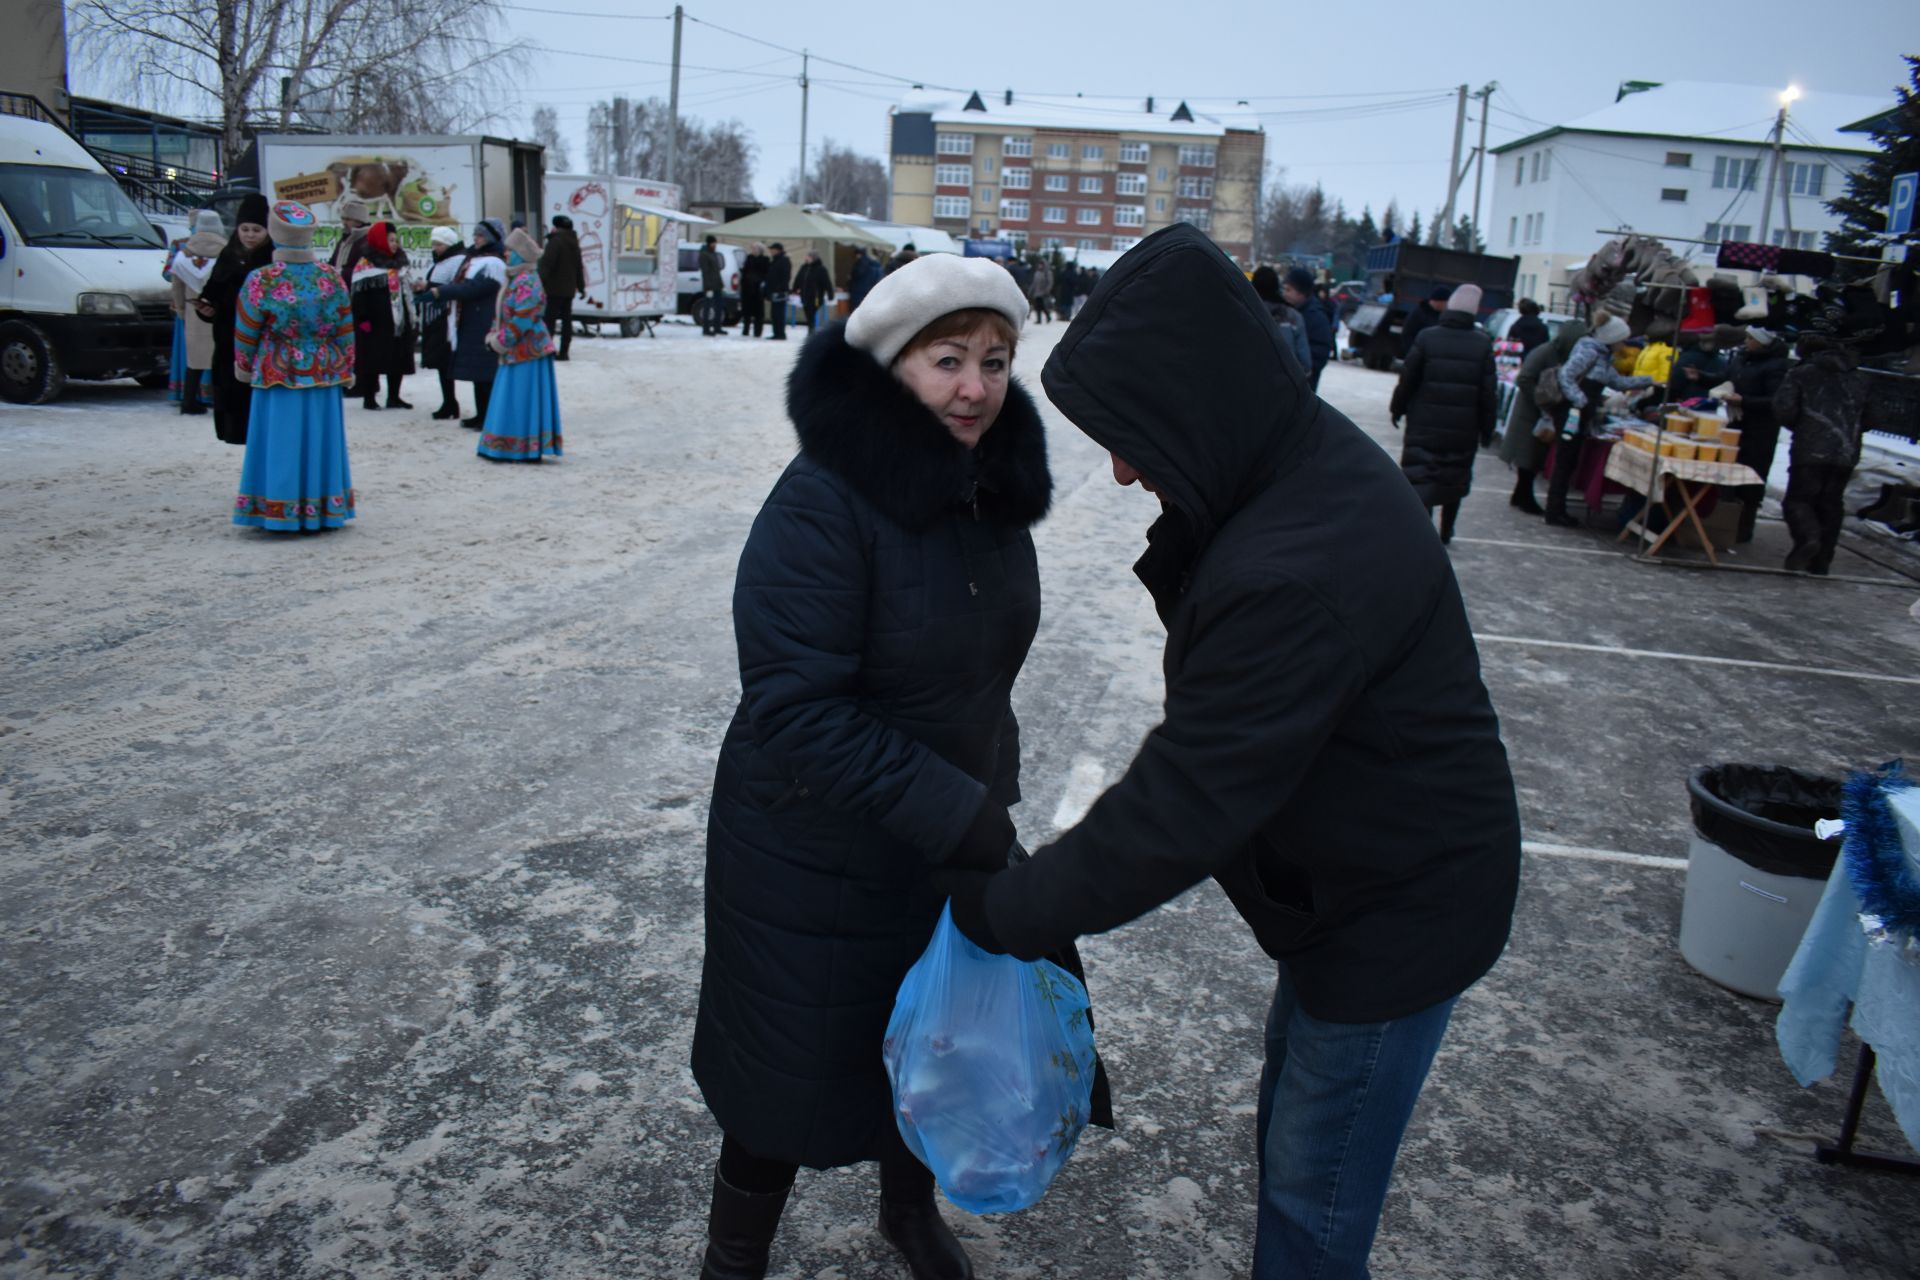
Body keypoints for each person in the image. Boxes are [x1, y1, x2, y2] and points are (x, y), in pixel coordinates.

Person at [935, 223, 1520, 1280]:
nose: (1119, 472)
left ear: (1192, 399)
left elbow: (1187, 799)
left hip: (1398, 911)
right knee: (1300, 1108)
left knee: (1314, 1194)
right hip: (1356, 884)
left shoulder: (1296, 564)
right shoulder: (1289, 469)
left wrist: (1007, 912)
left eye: (1130, 434)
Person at [692, 253, 1056, 1280]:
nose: (976, 386)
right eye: (948, 360)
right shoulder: (822, 502)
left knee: (926, 1034)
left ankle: (908, 1209)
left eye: (994, 359)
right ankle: (732, 1257)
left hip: (937, 833)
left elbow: (982, 669)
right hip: (811, 839)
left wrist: (989, 795)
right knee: (789, 1066)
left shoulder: (983, 491)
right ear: (893, 364)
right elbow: (796, 707)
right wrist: (960, 811)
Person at [231, 200, 357, 533]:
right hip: (324, 370)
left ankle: (279, 506)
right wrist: (347, 364)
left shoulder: (262, 279)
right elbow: (345, 327)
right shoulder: (330, 277)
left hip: (277, 370)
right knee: (321, 438)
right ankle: (323, 506)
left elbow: (246, 329)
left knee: (281, 439)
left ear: (274, 233)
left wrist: (243, 365)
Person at [1390, 283, 1497, 543]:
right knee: (1453, 479)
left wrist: (1398, 407)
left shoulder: (1427, 336)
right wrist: (1487, 427)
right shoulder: (1483, 344)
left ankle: (1421, 532)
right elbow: (1488, 393)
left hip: (1424, 424)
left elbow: (1408, 379)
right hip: (1463, 428)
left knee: (1421, 476)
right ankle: (1446, 530)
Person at [1543, 315, 1653, 528]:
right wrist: (1580, 399)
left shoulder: (1602, 356)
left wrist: (1649, 380)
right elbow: (1566, 375)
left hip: (1580, 412)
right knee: (1565, 461)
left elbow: (1616, 381)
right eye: (1622, 339)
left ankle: (1557, 509)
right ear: (1612, 338)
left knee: (1569, 461)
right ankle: (1554, 511)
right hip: (1571, 413)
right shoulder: (1590, 351)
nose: (1624, 344)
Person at [1775, 332, 1867, 574]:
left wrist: (1807, 427)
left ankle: (1808, 539)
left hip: (1810, 448)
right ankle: (1822, 560)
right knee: (1831, 503)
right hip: (1846, 450)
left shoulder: (1801, 374)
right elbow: (1874, 416)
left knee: (1799, 499)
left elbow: (1784, 410)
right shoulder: (1860, 378)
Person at [477, 227, 563, 463]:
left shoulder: (527, 281)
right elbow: (504, 314)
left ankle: (518, 447)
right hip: (517, 350)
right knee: (512, 399)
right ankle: (507, 445)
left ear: (520, 254)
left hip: (527, 353)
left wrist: (500, 341)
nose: (505, 254)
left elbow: (523, 318)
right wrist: (495, 336)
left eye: (509, 250)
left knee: (519, 400)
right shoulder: (516, 277)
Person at [196, 192, 275, 447]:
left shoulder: (272, 260)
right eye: (245, 229)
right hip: (228, 338)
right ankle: (236, 433)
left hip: (260, 342)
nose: (250, 235)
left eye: (257, 230)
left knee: (257, 399)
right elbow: (211, 293)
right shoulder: (228, 255)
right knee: (232, 393)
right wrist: (206, 309)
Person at [420, 218, 509, 430]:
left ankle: (487, 416)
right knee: (478, 373)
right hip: (471, 319)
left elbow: (473, 288)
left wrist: (439, 292)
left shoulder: (494, 263)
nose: (475, 239)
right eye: (475, 235)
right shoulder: (477, 258)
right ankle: (481, 414)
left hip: (484, 321)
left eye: (479, 235)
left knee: (485, 372)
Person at [1499, 320, 1586, 515]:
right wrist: (1541, 399)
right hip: (1531, 412)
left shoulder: (1563, 354)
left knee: (1534, 457)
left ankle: (1520, 494)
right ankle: (1524, 497)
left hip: (1544, 412)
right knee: (1527, 456)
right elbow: (1524, 378)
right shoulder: (1544, 352)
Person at [1722, 326, 1793, 543]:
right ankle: (1725, 523)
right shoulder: (1742, 358)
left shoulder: (1776, 366)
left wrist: (1744, 401)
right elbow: (1725, 378)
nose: (1746, 341)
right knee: (1731, 475)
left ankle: (1743, 528)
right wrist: (1702, 377)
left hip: (1760, 431)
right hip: (1737, 424)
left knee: (1751, 478)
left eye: (1750, 338)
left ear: (1762, 342)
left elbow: (1774, 400)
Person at [349, 221, 417, 411]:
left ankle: (394, 396)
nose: (394, 244)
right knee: (372, 360)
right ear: (379, 240)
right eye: (390, 240)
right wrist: (363, 319)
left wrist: (411, 317)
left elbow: (406, 292)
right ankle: (369, 398)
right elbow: (359, 295)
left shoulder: (400, 263)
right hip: (375, 322)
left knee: (397, 358)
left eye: (396, 240)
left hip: (397, 321)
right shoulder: (365, 265)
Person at [168, 210, 226, 417]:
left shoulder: (183, 255)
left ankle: (189, 401)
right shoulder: (226, 252)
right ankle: (221, 403)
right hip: (220, 313)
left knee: (194, 361)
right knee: (220, 360)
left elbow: (176, 287)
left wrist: (182, 311)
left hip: (194, 311)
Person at [418, 225, 467, 419]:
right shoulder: (444, 260)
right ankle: (449, 401)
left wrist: (429, 287)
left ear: (448, 244)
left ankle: (450, 402)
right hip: (437, 316)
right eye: (434, 244)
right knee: (441, 363)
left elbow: (455, 286)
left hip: (446, 317)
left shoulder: (457, 261)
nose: (435, 248)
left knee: (445, 361)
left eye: (438, 244)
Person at [539, 214, 587, 360]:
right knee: (567, 320)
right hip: (568, 290)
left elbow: (547, 264)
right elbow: (579, 267)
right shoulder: (574, 243)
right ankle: (564, 351)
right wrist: (581, 286)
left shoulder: (556, 242)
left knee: (549, 320)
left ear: (556, 227)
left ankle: (548, 350)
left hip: (553, 288)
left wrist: (539, 282)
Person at [1249, 266, 1312, 375]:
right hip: (1284, 382)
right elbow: (1304, 360)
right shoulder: (1292, 316)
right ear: (1277, 287)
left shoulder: (1245, 311)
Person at [1282, 266, 1334, 390]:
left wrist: (1300, 370)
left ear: (1301, 293)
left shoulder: (1315, 316)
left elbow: (1321, 351)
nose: (1284, 294)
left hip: (1302, 385)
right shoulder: (1288, 311)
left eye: (1288, 290)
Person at [329, 195, 371, 285]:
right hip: (340, 291)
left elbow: (365, 272)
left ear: (359, 221)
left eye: (348, 219)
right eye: (343, 219)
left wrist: (340, 273)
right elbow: (332, 263)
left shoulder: (368, 243)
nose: (344, 222)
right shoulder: (343, 240)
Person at [1399, 285, 1451, 358]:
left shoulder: (1444, 316)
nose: (1448, 305)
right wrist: (1413, 354)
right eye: (1447, 302)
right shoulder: (1418, 313)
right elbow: (1407, 334)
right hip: (1419, 357)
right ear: (1439, 301)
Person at [793, 249, 835, 330]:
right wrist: (795, 289)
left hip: (816, 296)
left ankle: (811, 330)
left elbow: (827, 282)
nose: (807, 258)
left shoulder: (821, 269)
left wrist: (830, 294)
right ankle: (811, 329)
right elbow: (798, 279)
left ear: (813, 258)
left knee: (811, 313)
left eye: (809, 257)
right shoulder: (804, 267)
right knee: (808, 313)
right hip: (804, 295)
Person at [698, 234, 727, 336]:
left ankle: (717, 327)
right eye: (714, 243)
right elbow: (705, 272)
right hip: (709, 286)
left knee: (718, 306)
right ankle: (706, 328)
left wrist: (721, 283)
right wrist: (708, 287)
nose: (715, 245)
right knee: (708, 306)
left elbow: (716, 271)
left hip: (717, 284)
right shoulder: (704, 255)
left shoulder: (713, 254)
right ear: (709, 243)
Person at [740, 242, 770, 336]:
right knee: (746, 311)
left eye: (754, 249)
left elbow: (766, 273)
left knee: (758, 312)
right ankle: (746, 330)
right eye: (752, 249)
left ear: (759, 250)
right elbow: (745, 271)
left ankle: (757, 331)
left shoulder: (765, 260)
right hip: (747, 288)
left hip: (758, 289)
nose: (753, 250)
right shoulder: (749, 258)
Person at [764, 242, 792, 341]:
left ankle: (780, 334)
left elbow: (785, 277)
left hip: (779, 292)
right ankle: (776, 333)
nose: (771, 251)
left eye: (772, 249)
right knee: (774, 314)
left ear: (778, 250)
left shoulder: (784, 260)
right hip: (773, 292)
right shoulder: (774, 261)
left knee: (778, 314)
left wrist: (780, 288)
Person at [846, 246, 882, 312]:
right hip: (870, 291)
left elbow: (857, 273)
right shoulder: (875, 264)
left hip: (858, 292)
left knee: (856, 312)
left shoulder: (861, 263)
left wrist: (851, 277)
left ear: (858, 254)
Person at [1028, 255, 1054, 323]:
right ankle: (1039, 319)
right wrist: (1031, 291)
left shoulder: (1047, 273)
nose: (1040, 266)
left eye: (1041, 264)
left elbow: (1050, 283)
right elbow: (1034, 283)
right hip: (1037, 293)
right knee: (1038, 307)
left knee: (1043, 306)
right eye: (1039, 264)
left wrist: (1047, 290)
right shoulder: (1037, 273)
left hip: (1043, 293)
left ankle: (1048, 317)